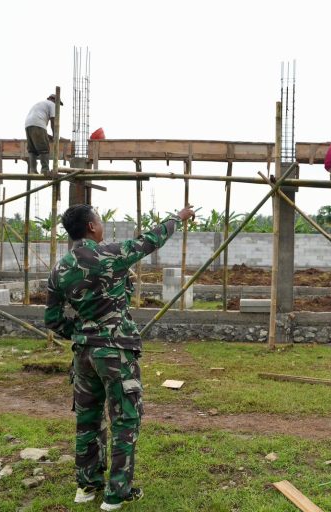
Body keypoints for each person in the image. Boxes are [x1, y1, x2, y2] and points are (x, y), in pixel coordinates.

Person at [45, 204, 195, 511]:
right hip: (115, 353)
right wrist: (177, 218)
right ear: (91, 227)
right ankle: (116, 494)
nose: (102, 226)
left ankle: (87, 486)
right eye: (99, 221)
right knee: (125, 419)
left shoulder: (59, 269)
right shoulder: (110, 254)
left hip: (83, 354)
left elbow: (53, 319)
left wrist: (82, 332)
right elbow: (149, 240)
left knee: (87, 419)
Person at [25, 94, 62, 175]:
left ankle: (32, 170)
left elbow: (36, 128)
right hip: (38, 125)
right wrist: (55, 136)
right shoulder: (52, 104)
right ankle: (45, 170)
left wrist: (47, 136)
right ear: (54, 100)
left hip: (28, 125)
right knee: (44, 148)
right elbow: (53, 122)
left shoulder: (40, 104)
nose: (58, 106)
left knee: (32, 149)